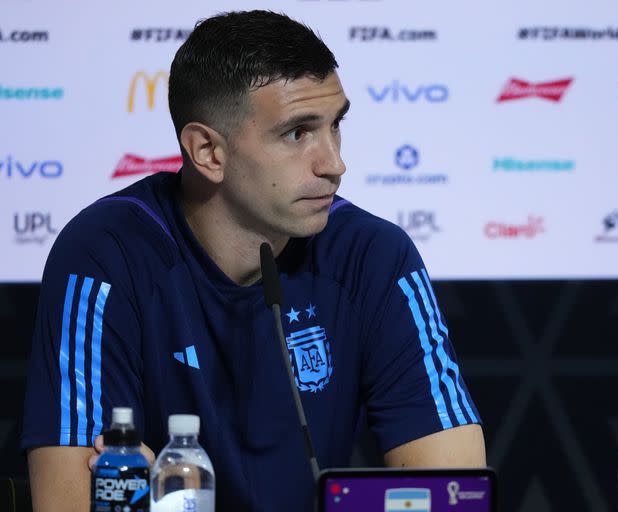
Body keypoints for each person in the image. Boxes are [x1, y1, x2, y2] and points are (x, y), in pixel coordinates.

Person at [21, 9, 485, 511]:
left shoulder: (374, 255)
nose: (334, 163)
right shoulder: (105, 253)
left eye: (335, 126)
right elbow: (67, 501)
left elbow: (455, 495)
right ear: (207, 152)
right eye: (297, 133)